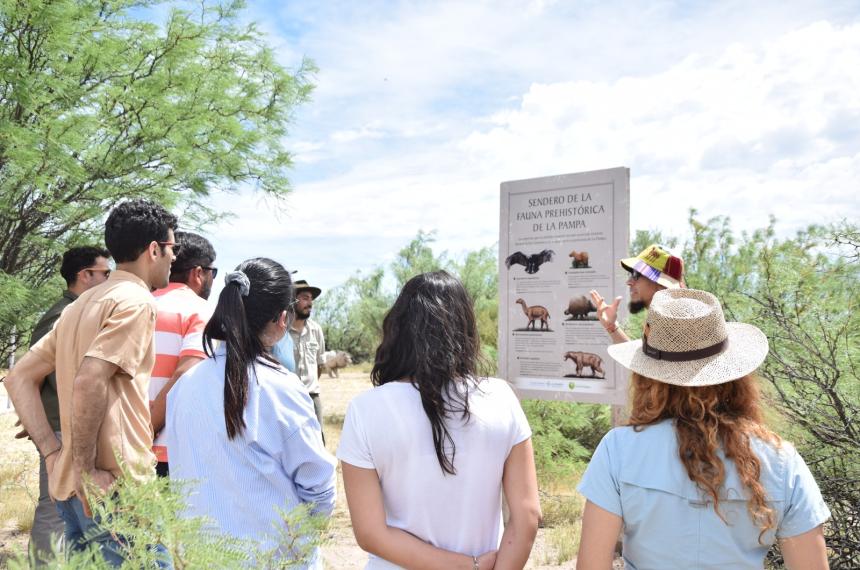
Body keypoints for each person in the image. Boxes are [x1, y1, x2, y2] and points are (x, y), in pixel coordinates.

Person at [576, 288, 830, 570]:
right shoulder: (782, 460)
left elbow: (591, 564)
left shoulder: (618, 449)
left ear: (648, 377)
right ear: (735, 376)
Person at [5, 199, 178, 567]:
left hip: (73, 487)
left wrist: (56, 455)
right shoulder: (135, 301)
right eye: (171, 248)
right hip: (116, 487)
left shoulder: (78, 306)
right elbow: (90, 379)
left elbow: (19, 377)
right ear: (153, 250)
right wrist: (87, 471)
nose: (173, 258)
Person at [337, 271, 541, 570]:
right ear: (466, 328)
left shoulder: (365, 409)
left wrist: (466, 566)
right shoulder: (501, 398)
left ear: (398, 328)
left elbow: (370, 533)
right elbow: (527, 517)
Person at [165, 258, 336, 565]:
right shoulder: (281, 388)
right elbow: (319, 490)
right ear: (282, 319)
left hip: (200, 558)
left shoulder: (183, 387)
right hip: (272, 558)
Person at [24, 246, 111, 562]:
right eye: (106, 272)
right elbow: (39, 374)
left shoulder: (74, 311)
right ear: (85, 275)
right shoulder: (64, 314)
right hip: (60, 428)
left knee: (70, 507)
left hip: (64, 426)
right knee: (55, 507)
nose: (110, 279)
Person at [148, 231, 217, 477]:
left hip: (123, 447)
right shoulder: (200, 310)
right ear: (198, 273)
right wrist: (147, 430)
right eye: (213, 273)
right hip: (171, 450)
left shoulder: (138, 303)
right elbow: (185, 375)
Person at [590, 243, 684, 343]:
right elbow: (642, 358)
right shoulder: (661, 319)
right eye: (631, 274)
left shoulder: (674, 325)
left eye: (636, 274)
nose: (629, 282)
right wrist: (611, 326)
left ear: (662, 284)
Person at [276, 279, 326, 437]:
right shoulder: (280, 331)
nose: (309, 303)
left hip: (312, 396)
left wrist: (308, 387)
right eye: (305, 298)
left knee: (318, 440)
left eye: (311, 299)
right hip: (287, 397)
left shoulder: (316, 330)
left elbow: (319, 365)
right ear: (292, 300)